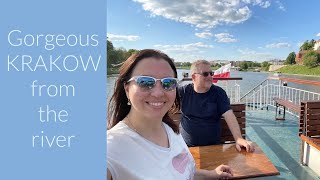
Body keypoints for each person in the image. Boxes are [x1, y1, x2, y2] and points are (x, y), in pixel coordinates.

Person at [107, 49, 233, 180]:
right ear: (127, 89)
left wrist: (212, 174)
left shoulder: (170, 130)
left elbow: (182, 172)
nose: (158, 93)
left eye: (168, 83)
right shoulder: (111, 148)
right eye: (145, 82)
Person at [179, 60, 255, 152]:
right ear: (194, 77)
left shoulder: (218, 93)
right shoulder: (183, 92)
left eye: (211, 73)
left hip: (213, 147)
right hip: (186, 148)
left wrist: (238, 139)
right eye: (206, 74)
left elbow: (229, 115)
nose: (210, 77)